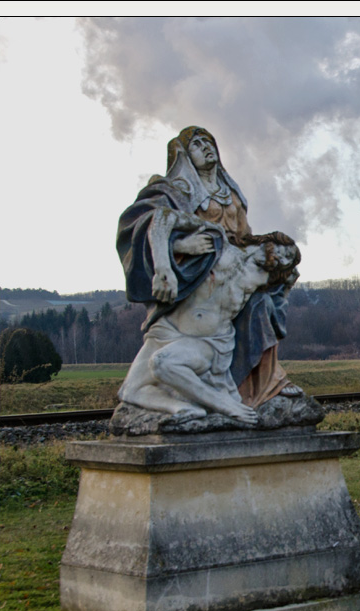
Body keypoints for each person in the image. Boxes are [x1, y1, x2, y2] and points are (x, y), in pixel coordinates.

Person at [117, 126, 302, 409]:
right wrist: (178, 247)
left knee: (263, 302)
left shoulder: (232, 193)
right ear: (183, 155)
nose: (206, 147)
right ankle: (198, 392)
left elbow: (245, 236)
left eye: (209, 142)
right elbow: (145, 224)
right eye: (197, 144)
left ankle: (266, 384)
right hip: (193, 274)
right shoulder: (172, 189)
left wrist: (279, 265)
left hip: (230, 269)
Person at [118, 235, 300, 422]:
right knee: (130, 390)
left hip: (207, 341)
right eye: (285, 252)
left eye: (288, 260)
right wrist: (178, 245)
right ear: (273, 240)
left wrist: (287, 285)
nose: (283, 259)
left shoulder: (264, 277)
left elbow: (277, 308)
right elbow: (162, 222)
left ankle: (223, 403)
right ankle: (185, 408)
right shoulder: (220, 245)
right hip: (168, 328)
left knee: (162, 363)